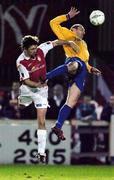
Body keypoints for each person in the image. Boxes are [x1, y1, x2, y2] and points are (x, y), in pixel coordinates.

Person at [16, 35, 78, 163]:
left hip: (41, 91)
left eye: (35, 48)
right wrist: (38, 84)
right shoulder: (20, 62)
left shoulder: (41, 50)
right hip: (28, 89)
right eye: (32, 49)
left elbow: (55, 43)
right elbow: (27, 81)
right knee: (21, 106)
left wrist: (69, 42)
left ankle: (41, 153)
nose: (34, 50)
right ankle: (21, 101)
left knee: (41, 121)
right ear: (25, 49)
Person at [46, 7, 101, 141]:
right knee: (75, 64)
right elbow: (53, 23)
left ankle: (58, 126)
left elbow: (85, 62)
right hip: (73, 62)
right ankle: (45, 76)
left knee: (71, 101)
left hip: (82, 71)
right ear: (74, 30)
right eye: (81, 29)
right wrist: (67, 16)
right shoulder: (67, 34)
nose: (84, 31)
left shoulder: (84, 44)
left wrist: (91, 68)